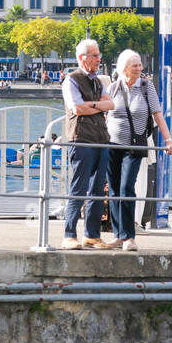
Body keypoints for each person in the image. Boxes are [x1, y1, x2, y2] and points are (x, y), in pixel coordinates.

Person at [105, 49, 172, 252]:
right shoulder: (113, 88)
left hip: (134, 145)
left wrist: (168, 140)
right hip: (111, 145)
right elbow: (105, 116)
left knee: (127, 187)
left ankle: (129, 237)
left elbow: (158, 115)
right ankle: (118, 234)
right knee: (115, 189)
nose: (139, 68)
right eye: (135, 65)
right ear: (124, 68)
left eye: (140, 64)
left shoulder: (146, 87)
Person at [61, 39, 114, 249]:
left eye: (99, 55)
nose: (98, 59)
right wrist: (98, 106)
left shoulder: (99, 81)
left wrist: (92, 105)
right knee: (78, 188)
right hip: (81, 138)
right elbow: (77, 109)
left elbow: (111, 104)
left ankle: (92, 234)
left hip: (101, 139)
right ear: (82, 58)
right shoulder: (71, 80)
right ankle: (69, 234)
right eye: (94, 55)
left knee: (97, 189)